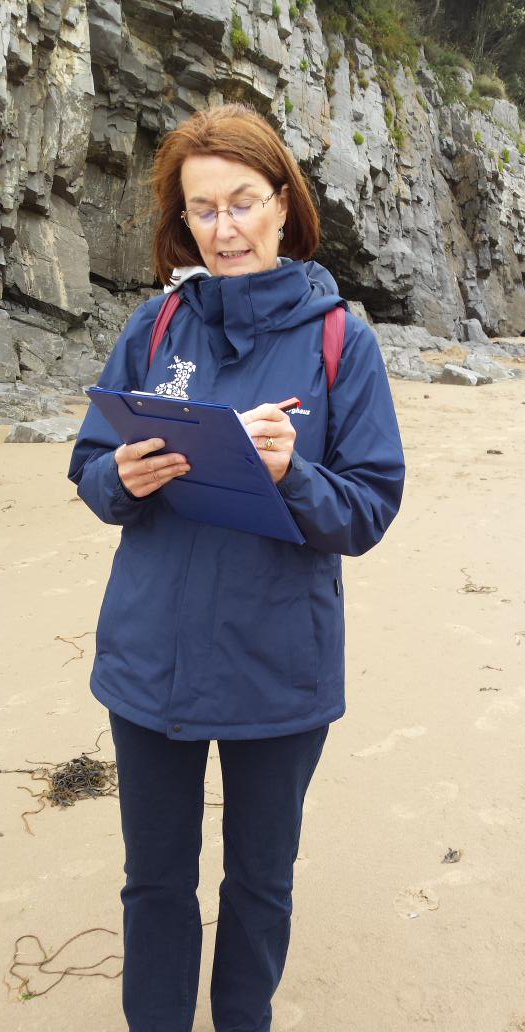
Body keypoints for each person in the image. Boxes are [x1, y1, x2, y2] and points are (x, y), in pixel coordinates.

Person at [68, 103, 405, 1032]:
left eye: (243, 202)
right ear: (183, 222)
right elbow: (91, 470)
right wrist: (121, 475)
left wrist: (292, 470)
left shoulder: (343, 341)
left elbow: (369, 507)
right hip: (149, 658)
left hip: (276, 665)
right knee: (156, 881)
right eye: (201, 209)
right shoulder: (154, 327)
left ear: (285, 205)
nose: (224, 228)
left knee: (260, 878)